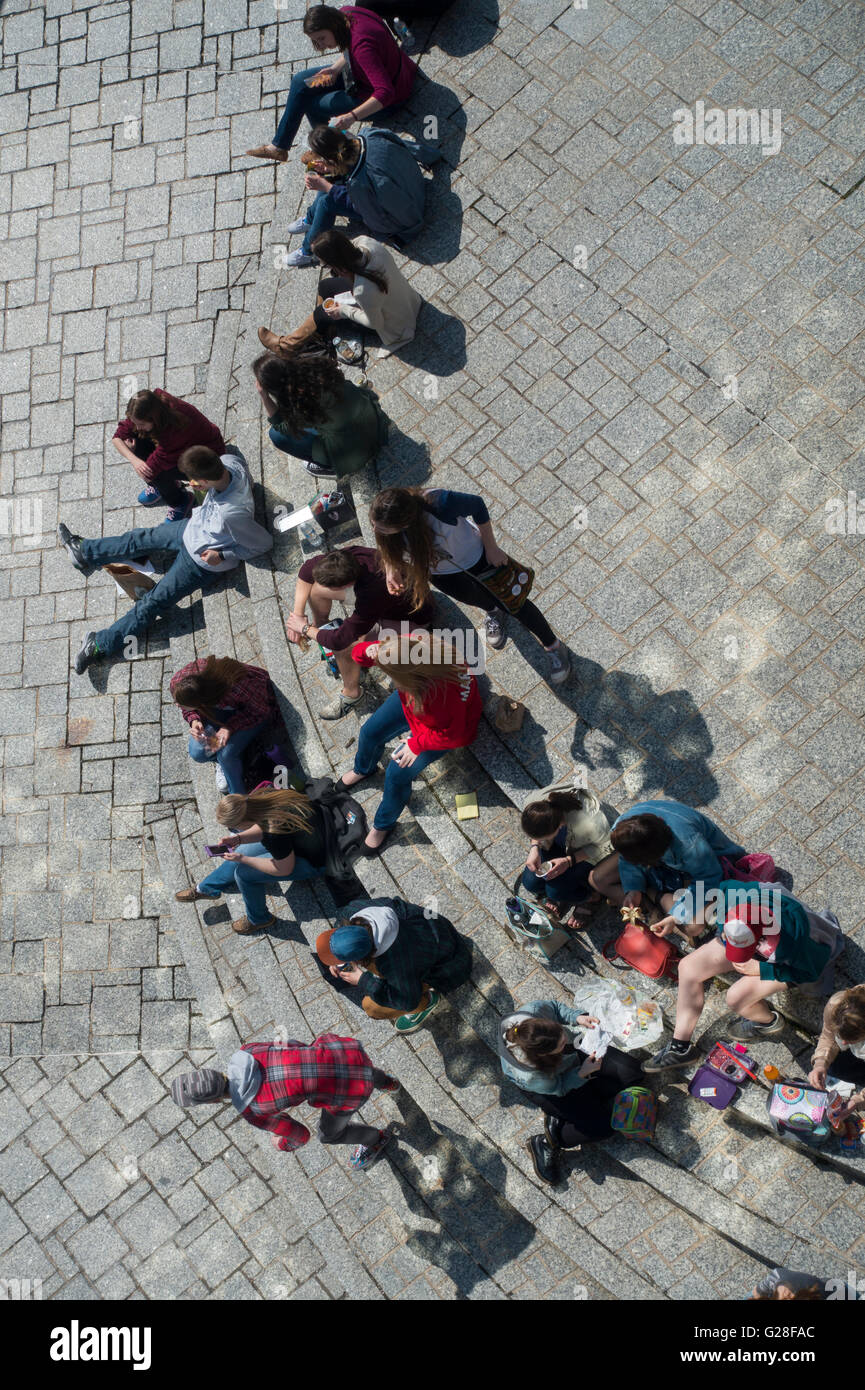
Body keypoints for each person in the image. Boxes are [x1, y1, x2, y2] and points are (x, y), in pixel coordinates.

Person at [58, 446, 273, 674]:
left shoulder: (232, 513)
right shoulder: (230, 461)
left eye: (192, 480)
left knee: (153, 602)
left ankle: (101, 644)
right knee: (139, 538)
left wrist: (221, 555)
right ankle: (84, 551)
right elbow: (246, 481)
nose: (189, 484)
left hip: (199, 561)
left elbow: (263, 544)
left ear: (203, 480)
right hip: (192, 528)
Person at [370, 486, 571, 685]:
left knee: (514, 604)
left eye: (382, 528)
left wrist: (492, 547)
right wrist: (391, 567)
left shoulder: (440, 502)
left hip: (476, 560)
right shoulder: (385, 527)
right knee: (473, 598)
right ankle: (493, 612)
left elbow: (478, 506)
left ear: (405, 523)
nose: (376, 530)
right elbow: (387, 544)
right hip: (441, 573)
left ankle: (553, 646)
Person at [643, 880, 842, 1072]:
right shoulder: (736, 896)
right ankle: (680, 1048)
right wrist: (677, 917)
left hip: (783, 963)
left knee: (736, 999)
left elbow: (809, 971)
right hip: (751, 939)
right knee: (688, 967)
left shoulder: (794, 941)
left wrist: (762, 969)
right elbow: (708, 889)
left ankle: (767, 1022)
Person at [340, 631, 481, 854]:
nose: (390, 682)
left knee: (397, 772)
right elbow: (359, 654)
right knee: (369, 732)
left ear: (407, 679)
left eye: (392, 678)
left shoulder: (441, 696)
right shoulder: (410, 647)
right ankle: (363, 768)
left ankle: (382, 825)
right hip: (414, 701)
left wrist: (417, 743)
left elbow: (454, 735)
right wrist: (367, 651)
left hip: (435, 726)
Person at [169, 1036, 399, 1170]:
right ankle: (389, 1083)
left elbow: (301, 1135)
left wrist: (282, 1144)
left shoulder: (253, 1111)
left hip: (352, 1090)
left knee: (328, 1135)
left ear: (213, 1102)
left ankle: (376, 1140)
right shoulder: (247, 1051)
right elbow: (294, 1044)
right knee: (344, 1067)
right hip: (345, 1049)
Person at [498, 998, 645, 1186]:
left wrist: (577, 1018)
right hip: (551, 1088)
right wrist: (582, 1073)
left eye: (561, 1034)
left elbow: (554, 1007)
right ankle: (549, 1141)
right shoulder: (531, 1076)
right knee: (602, 1126)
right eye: (560, 1043)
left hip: (573, 1057)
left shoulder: (532, 1013)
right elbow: (559, 1087)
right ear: (544, 1055)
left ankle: (566, 1113)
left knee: (633, 1074)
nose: (565, 1038)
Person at [246, 5, 417, 165]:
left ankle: (330, 150)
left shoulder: (362, 48)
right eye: (316, 41)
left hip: (390, 98)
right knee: (300, 81)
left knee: (312, 106)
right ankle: (279, 147)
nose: (321, 45)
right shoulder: (348, 14)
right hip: (364, 73)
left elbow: (385, 93)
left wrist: (351, 117)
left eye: (322, 38)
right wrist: (335, 69)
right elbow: (355, 48)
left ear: (333, 25)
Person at [287, 544, 435, 719]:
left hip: (408, 621)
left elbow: (340, 640)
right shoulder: (347, 558)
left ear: (346, 585)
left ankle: (352, 694)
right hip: (385, 603)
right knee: (316, 591)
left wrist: (304, 628)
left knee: (346, 647)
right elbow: (306, 571)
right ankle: (324, 631)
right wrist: (298, 615)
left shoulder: (372, 592)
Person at [275, 123, 441, 269]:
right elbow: (406, 145)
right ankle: (311, 218)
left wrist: (329, 188)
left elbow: (372, 216)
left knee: (327, 200)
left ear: (331, 159)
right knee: (327, 182)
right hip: (413, 182)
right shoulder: (369, 134)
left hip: (406, 216)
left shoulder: (358, 183)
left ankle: (307, 250)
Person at [175, 787, 329, 935]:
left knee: (243, 874)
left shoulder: (273, 834)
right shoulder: (264, 796)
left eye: (234, 827)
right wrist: (238, 838)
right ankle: (206, 888)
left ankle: (259, 919)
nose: (234, 829)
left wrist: (243, 859)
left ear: (243, 821)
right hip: (299, 839)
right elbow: (264, 827)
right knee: (241, 850)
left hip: (316, 860)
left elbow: (284, 869)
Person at [589, 799, 748, 935]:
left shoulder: (689, 845)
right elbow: (626, 858)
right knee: (597, 879)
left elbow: (709, 877)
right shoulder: (625, 827)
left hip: (700, 870)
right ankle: (652, 902)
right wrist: (633, 889)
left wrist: (676, 915)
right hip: (660, 861)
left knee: (692, 927)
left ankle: (655, 898)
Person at [316, 895, 472, 1032]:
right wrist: (344, 949)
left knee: (371, 1007)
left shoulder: (397, 964)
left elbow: (407, 1000)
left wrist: (363, 980)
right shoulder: (359, 910)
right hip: (435, 931)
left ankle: (428, 1002)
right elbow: (345, 922)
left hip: (451, 964)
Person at [259, 230, 422, 359]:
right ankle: (320, 330)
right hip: (407, 300)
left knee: (322, 312)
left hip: (393, 324)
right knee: (324, 287)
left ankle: (286, 346)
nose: (324, 266)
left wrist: (343, 311)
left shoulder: (363, 290)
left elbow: (376, 324)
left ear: (337, 264)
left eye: (325, 264)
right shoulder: (365, 243)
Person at [253, 349, 387, 478]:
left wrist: (265, 397)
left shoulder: (301, 406)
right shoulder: (316, 366)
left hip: (357, 450)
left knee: (276, 436)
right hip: (373, 420)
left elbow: (281, 426)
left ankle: (329, 467)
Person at [170, 655, 279, 795]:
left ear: (202, 703)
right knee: (198, 752)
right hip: (223, 712)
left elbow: (262, 712)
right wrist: (194, 719)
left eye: (183, 704)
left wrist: (230, 727)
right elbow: (186, 708)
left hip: (253, 714)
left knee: (226, 755)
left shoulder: (238, 686)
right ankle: (234, 761)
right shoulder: (180, 684)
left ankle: (238, 797)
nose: (177, 705)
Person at [113, 387, 225, 520]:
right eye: (135, 422)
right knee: (137, 444)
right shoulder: (154, 405)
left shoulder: (175, 430)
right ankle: (165, 487)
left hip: (207, 458)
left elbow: (152, 469)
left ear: (153, 419)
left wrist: (142, 467)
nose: (137, 427)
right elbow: (117, 437)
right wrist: (134, 459)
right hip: (179, 450)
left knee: (153, 472)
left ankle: (180, 501)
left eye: (141, 424)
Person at [521, 782, 612, 927]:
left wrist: (569, 861)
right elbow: (536, 834)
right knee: (530, 883)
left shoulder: (590, 824)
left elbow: (606, 847)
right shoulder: (532, 803)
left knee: (554, 891)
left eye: (544, 837)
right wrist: (534, 847)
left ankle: (591, 897)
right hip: (567, 839)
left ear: (560, 826)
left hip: (590, 848)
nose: (540, 840)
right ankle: (565, 892)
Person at [809, 985, 865, 1122]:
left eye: (852, 1039)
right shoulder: (837, 1005)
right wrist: (820, 1063)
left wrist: (859, 1100)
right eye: (841, 1036)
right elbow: (828, 1036)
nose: (843, 1043)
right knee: (833, 1068)